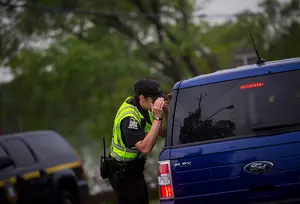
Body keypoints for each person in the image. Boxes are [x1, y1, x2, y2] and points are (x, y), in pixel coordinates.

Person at [107, 78, 172, 204]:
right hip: (121, 172)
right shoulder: (129, 117)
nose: (156, 103)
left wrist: (165, 111)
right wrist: (157, 118)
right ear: (142, 98)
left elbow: (163, 132)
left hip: (134, 169)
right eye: (154, 100)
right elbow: (145, 148)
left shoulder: (146, 109)